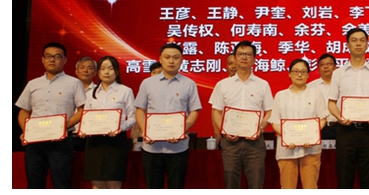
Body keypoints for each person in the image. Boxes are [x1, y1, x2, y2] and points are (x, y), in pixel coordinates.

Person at [15, 42, 85, 189]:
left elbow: (82, 110)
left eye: (57, 56)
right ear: (42, 59)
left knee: (61, 183)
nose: (52, 60)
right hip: (35, 142)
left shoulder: (74, 83)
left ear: (65, 60)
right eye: (48, 56)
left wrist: (63, 127)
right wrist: (26, 130)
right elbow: (24, 111)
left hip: (61, 141)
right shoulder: (33, 84)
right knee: (34, 183)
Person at [135, 43, 201, 189]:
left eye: (176, 57)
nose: (171, 61)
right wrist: (145, 131)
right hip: (151, 147)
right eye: (167, 57)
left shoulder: (189, 84)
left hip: (178, 147)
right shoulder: (147, 83)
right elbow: (140, 109)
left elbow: (194, 111)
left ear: (182, 60)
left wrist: (181, 130)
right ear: (160, 59)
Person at [328, 28, 369, 188]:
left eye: (362, 40)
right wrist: (339, 117)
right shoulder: (338, 73)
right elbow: (331, 103)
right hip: (345, 132)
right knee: (344, 178)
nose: (358, 44)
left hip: (368, 131)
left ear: (367, 44)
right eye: (354, 40)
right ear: (347, 45)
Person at [209, 41, 273, 189]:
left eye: (248, 54)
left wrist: (260, 128)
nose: (244, 57)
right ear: (235, 58)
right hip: (230, 143)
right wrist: (224, 131)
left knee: (256, 183)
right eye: (241, 54)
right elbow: (216, 111)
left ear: (254, 59)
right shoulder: (223, 84)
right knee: (231, 182)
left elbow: (270, 111)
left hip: (255, 143)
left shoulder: (262, 84)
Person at [270, 58, 327, 189]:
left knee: (310, 187)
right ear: (289, 74)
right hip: (287, 149)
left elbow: (322, 118)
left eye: (303, 72)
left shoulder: (316, 94)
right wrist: (288, 137)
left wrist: (311, 136)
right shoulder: (280, 96)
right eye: (295, 71)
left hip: (311, 148)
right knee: (287, 187)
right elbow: (275, 121)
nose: (299, 75)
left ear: (308, 74)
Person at [81, 56, 136, 189]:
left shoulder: (125, 91)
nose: (106, 72)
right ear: (98, 72)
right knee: (96, 184)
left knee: (113, 183)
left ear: (116, 71)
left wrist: (119, 127)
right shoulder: (91, 93)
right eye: (103, 68)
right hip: (94, 142)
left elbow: (133, 117)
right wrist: (83, 129)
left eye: (110, 68)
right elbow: (85, 116)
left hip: (115, 142)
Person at [308, 53, 338, 139]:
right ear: (318, 68)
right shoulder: (311, 87)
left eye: (329, 64)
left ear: (335, 66)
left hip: (341, 126)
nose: (326, 67)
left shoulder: (342, 84)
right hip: (319, 127)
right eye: (322, 65)